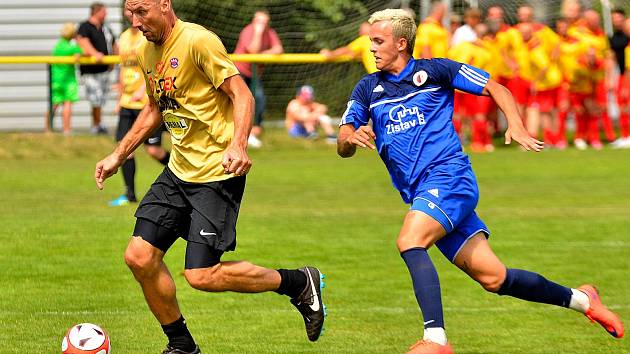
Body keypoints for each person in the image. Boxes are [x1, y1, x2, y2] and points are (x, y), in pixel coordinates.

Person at [338, 9, 623, 354]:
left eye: (378, 41)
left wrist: (515, 123)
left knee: (409, 240)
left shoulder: (436, 70)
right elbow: (344, 139)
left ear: (401, 43)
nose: (372, 48)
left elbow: (496, 87)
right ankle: (583, 300)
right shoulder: (368, 87)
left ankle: (436, 339)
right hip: (423, 194)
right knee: (495, 278)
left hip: (449, 178)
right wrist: (350, 138)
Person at [95, 1, 325, 353]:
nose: (135, 21)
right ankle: (182, 344)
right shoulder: (145, 51)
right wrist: (118, 154)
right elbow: (155, 109)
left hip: (217, 173)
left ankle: (297, 282)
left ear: (164, 5)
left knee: (201, 276)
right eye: (130, 13)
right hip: (178, 173)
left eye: (142, 11)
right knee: (139, 256)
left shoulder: (197, 41)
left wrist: (239, 145)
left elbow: (241, 94)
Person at [109, 9, 170, 206]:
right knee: (124, 148)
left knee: (153, 150)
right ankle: (129, 194)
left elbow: (156, 66)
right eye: (129, 12)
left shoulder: (147, 37)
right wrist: (119, 99)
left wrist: (144, 88)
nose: (132, 16)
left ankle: (183, 175)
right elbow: (122, 69)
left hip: (146, 103)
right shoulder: (124, 38)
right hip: (127, 103)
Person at [234, 10, 284, 148]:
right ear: (254, 21)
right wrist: (258, 32)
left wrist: (264, 53)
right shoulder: (248, 31)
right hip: (239, 72)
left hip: (255, 74)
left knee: (259, 100)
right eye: (259, 21)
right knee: (241, 101)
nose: (262, 24)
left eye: (265, 22)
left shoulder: (270, 32)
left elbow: (279, 49)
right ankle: (239, 134)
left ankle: (253, 133)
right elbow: (253, 50)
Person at [77, 2, 117, 135]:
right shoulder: (85, 26)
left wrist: (114, 60)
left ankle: (98, 124)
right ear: (97, 12)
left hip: (104, 70)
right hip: (90, 71)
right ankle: (97, 125)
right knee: (95, 98)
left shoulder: (105, 28)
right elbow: (83, 42)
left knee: (101, 99)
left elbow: (114, 43)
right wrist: (95, 54)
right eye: (104, 12)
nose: (106, 14)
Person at [45, 23, 83, 135]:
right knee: (67, 104)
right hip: (68, 80)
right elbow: (79, 54)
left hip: (56, 79)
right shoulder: (71, 47)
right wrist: (78, 42)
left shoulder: (58, 45)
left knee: (54, 104)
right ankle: (66, 129)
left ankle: (47, 129)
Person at [610, 9, 630, 148]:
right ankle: (625, 135)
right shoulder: (623, 43)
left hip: (626, 78)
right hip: (623, 76)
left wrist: (625, 86)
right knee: (623, 106)